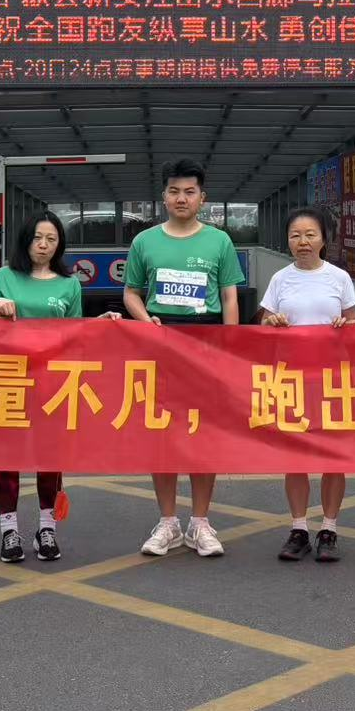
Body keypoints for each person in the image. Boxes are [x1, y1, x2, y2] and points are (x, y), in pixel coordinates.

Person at [125, 159, 245, 559]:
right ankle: (167, 522)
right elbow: (131, 293)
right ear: (164, 197)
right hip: (161, 341)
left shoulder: (220, 241)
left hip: (206, 340)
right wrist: (147, 322)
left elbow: (229, 295)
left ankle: (200, 523)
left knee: (203, 433)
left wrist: (228, 347)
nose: (182, 198)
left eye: (189, 192)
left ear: (202, 198)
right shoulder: (144, 242)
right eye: (174, 191)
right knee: (162, 432)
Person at [259, 207, 355, 564]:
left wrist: (345, 326)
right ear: (288, 241)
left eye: (310, 234)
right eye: (295, 235)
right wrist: (272, 321)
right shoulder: (280, 279)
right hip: (291, 378)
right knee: (295, 456)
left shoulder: (339, 278)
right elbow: (263, 323)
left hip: (332, 380)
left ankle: (329, 529)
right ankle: (299, 528)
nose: (302, 241)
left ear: (324, 239)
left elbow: (354, 323)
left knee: (333, 456)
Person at [0, 210, 85, 564]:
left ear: (60, 245)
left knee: (49, 458)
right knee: (7, 458)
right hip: (8, 377)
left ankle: (47, 529)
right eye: (37, 238)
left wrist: (104, 325)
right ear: (25, 240)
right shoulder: (3, 276)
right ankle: (9, 531)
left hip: (51, 382)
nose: (43, 245)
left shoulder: (69, 284)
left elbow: (76, 335)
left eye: (51, 239)